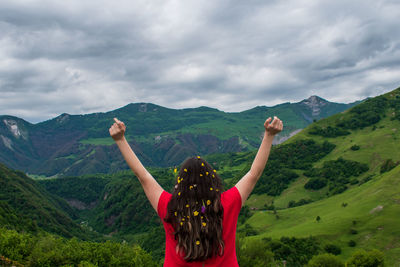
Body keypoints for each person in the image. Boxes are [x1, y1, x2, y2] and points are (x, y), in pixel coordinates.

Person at [109, 116, 283, 266]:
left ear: (180, 184)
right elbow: (254, 173)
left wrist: (120, 140)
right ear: (212, 180)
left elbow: (143, 176)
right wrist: (269, 136)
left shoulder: (169, 206)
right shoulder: (227, 203)